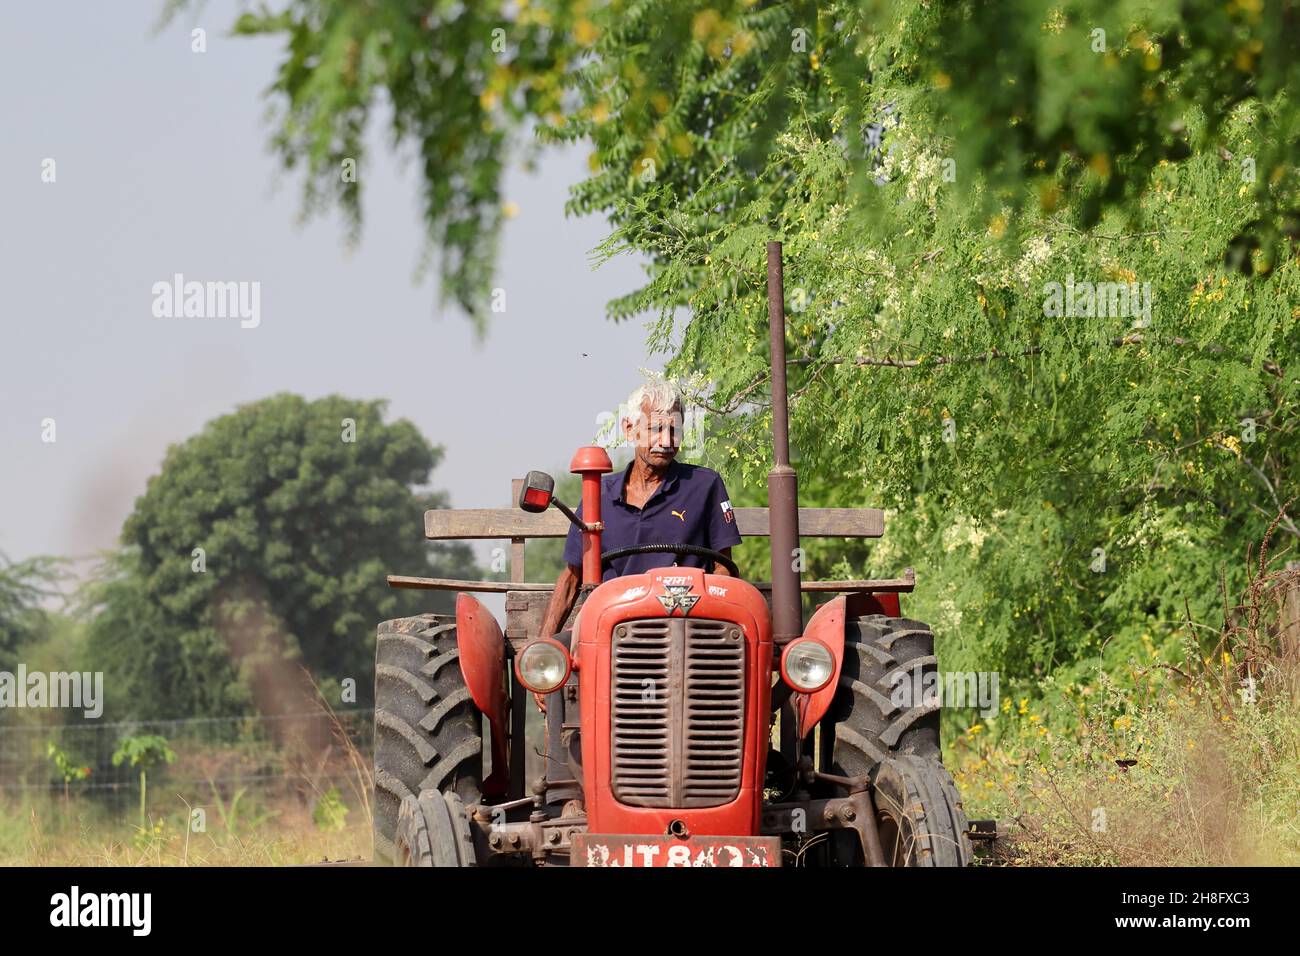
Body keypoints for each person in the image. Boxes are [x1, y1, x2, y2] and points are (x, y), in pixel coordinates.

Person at [536, 380, 743, 641]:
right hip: (614, 629)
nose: (666, 441)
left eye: (674, 430)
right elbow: (571, 578)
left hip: (687, 625)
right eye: (656, 428)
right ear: (630, 429)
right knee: (559, 656)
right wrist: (540, 647)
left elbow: (723, 569)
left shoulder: (705, 486)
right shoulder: (599, 495)